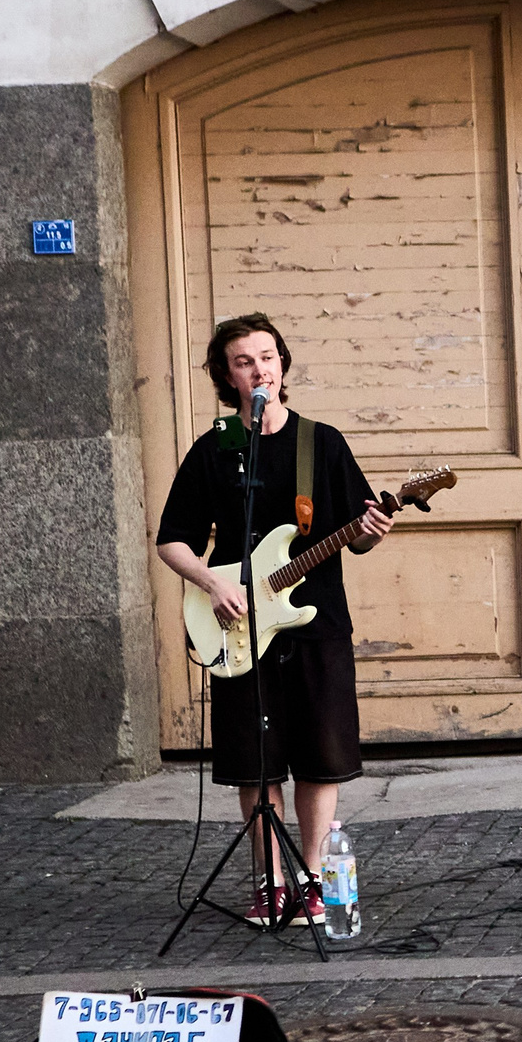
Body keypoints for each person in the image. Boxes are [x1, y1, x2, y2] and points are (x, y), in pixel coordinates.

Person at [155, 314, 394, 925]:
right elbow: (172, 540)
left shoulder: (322, 442)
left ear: (282, 364)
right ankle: (269, 882)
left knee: (321, 754)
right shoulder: (215, 449)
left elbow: (358, 537)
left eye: (267, 356)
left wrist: (370, 531)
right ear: (226, 376)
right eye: (243, 361)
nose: (259, 369)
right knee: (255, 761)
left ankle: (313, 878)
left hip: (315, 625)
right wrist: (212, 581)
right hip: (237, 623)